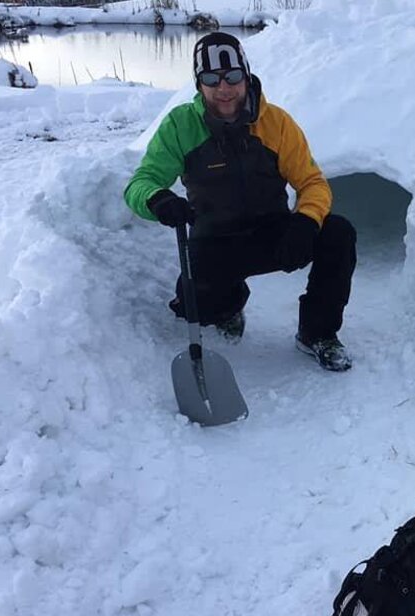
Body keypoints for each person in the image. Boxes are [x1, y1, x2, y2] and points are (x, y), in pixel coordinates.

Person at [124, 32, 356, 372]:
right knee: (193, 307)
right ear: (199, 84)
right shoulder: (180, 126)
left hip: (273, 234)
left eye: (232, 76)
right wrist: (157, 199)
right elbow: (140, 183)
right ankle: (228, 307)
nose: (224, 88)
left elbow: (312, 182)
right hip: (215, 241)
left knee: (337, 232)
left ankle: (317, 333)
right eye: (211, 79)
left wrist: (306, 221)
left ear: (246, 76)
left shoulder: (277, 123)